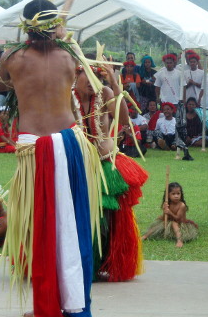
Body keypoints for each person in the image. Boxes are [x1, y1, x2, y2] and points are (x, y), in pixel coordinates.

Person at [0, 0, 103, 317]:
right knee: (73, 224)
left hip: (33, 148)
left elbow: (3, 82)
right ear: (56, 24)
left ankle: (49, 303)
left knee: (40, 227)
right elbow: (67, 62)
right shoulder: (70, 56)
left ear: (25, 25)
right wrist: (62, 35)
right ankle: (71, 301)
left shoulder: (11, 57)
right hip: (68, 143)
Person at [73, 61, 148, 281]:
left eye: (99, 78)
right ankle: (81, 263)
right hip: (77, 165)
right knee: (80, 217)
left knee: (105, 219)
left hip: (105, 165)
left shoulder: (105, 92)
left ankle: (100, 263)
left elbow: (124, 120)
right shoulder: (67, 97)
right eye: (89, 77)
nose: (94, 83)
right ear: (77, 75)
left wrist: (115, 83)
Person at [141, 182, 198, 248]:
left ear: (181, 194)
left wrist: (169, 212)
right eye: (173, 194)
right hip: (169, 222)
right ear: (168, 195)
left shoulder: (182, 205)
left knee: (174, 223)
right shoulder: (167, 204)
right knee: (160, 224)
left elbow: (177, 219)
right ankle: (145, 236)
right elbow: (165, 218)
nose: (176, 196)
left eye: (178, 193)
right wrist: (165, 211)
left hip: (180, 223)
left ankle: (179, 240)